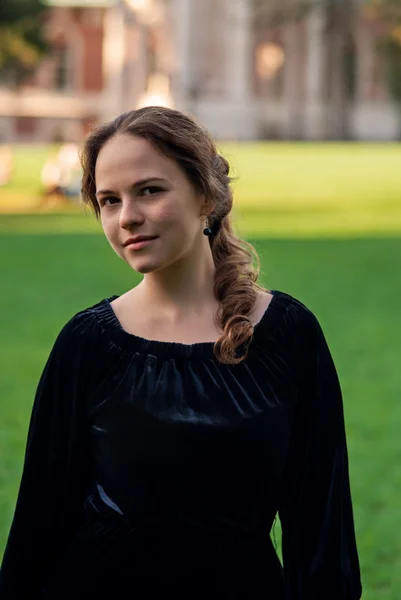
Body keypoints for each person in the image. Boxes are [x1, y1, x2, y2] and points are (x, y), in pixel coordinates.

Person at [0, 106, 362, 599]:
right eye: (109, 200)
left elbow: (322, 528)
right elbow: (39, 525)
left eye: (149, 190)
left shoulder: (287, 335)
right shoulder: (87, 343)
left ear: (205, 195)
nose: (127, 217)